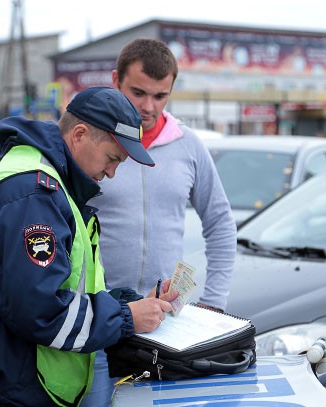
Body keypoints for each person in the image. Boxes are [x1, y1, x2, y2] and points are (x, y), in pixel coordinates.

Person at [0, 86, 177, 406]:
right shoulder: (32, 195)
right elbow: (41, 311)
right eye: (112, 158)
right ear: (80, 134)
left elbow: (65, 286)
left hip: (3, 373)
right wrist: (126, 317)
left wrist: (134, 303)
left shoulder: (50, 184)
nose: (112, 173)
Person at [84, 38, 237, 406]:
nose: (148, 107)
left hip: (162, 322)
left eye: (160, 96)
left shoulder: (189, 146)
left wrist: (213, 305)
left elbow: (220, 223)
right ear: (115, 79)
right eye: (138, 92)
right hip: (96, 319)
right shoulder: (90, 141)